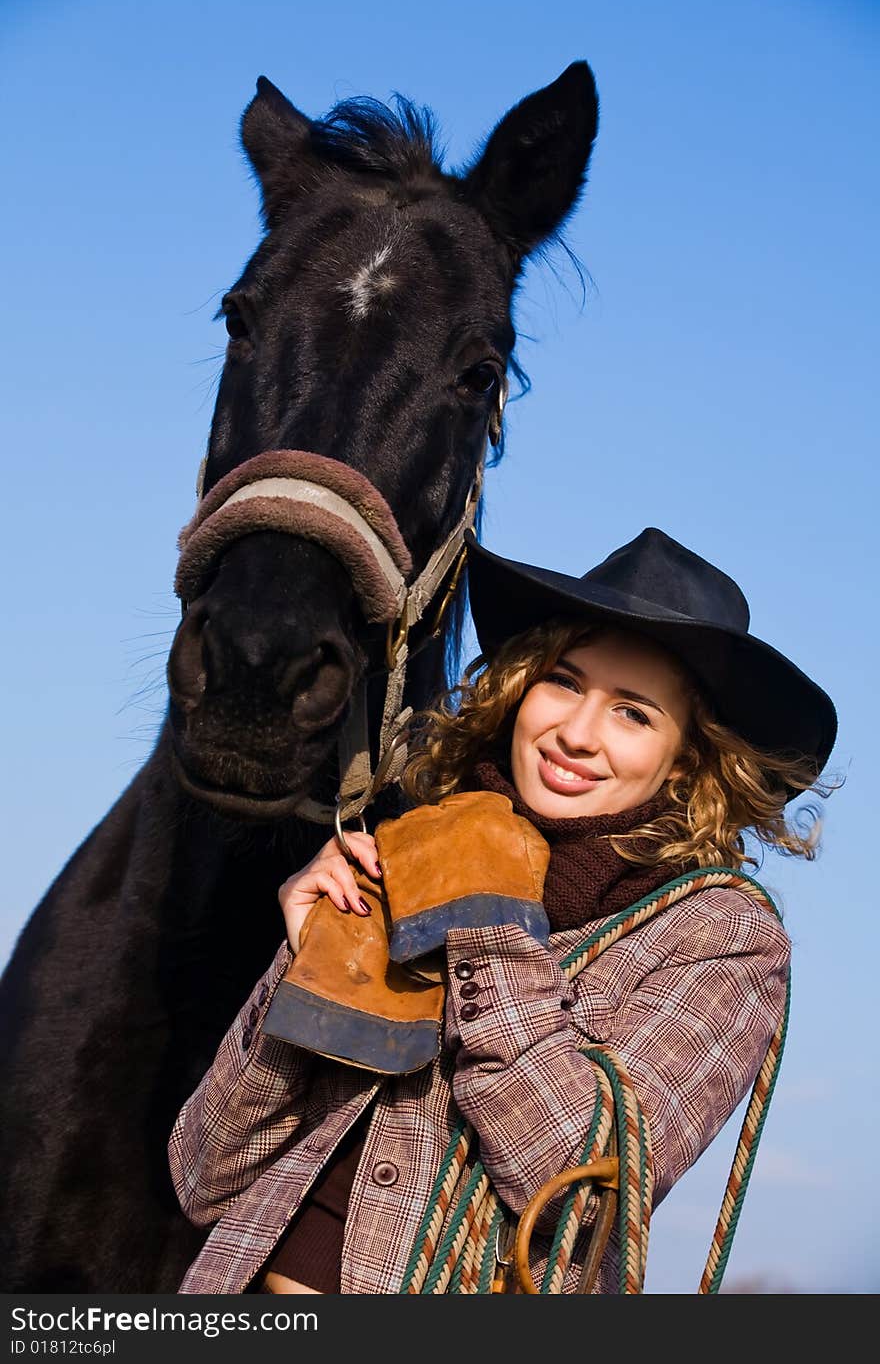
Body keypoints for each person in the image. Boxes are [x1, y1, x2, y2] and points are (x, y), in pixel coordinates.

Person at [168, 526, 837, 1295]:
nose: (578, 735)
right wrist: (306, 966)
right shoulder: (408, 850)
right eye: (563, 682)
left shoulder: (721, 937)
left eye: (634, 714)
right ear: (521, 688)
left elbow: (577, 1188)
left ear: (684, 760)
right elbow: (203, 1174)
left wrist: (486, 921)